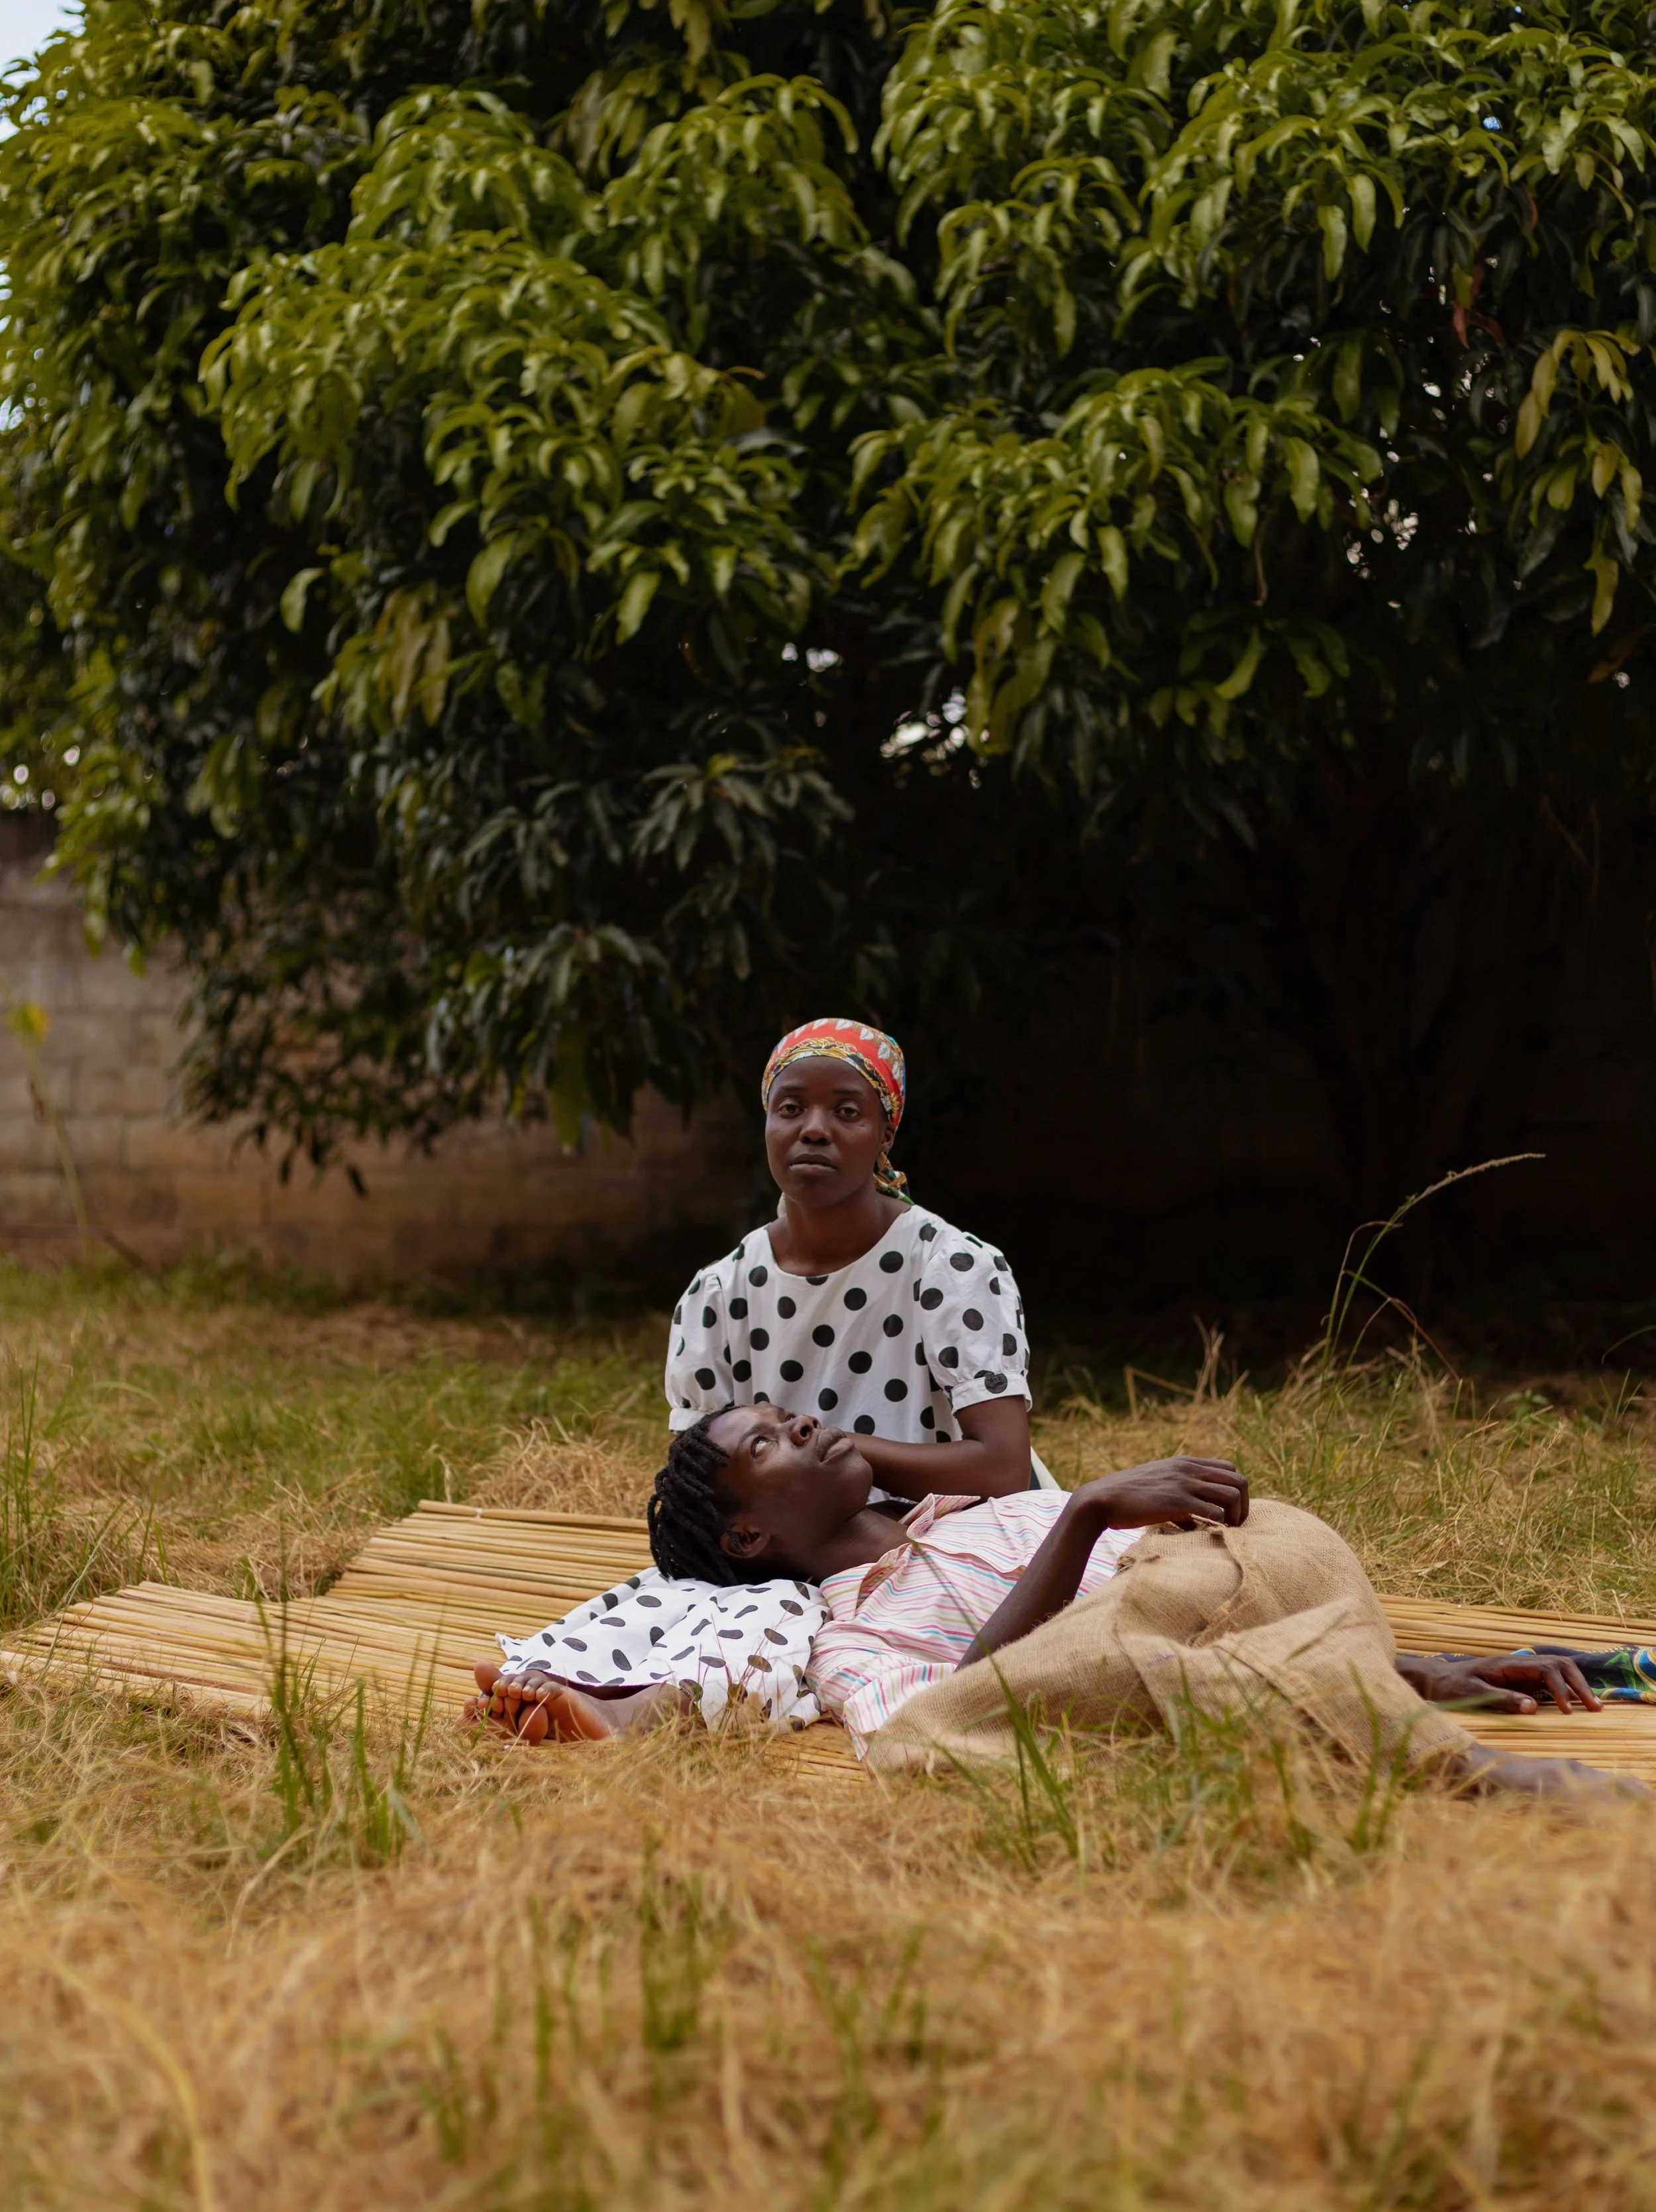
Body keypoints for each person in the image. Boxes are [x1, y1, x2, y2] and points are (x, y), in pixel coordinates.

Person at [476, 1403, 1641, 1802]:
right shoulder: (848, 1628)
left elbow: (1211, 1565)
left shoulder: (987, 1509)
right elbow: (935, 1716)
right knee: (1117, 1653)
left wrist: (1417, 1655)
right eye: (769, 1441)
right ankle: (1460, 1763)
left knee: (1254, 1534)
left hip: (1218, 1594)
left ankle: (1376, 1673)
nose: (805, 1422)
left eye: (787, 1411)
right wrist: (1086, 1514)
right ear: (747, 1532)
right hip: (1143, 1649)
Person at [467, 1012, 1055, 1738]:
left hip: (939, 1546)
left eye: (847, 1111)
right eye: (790, 1108)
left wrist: (843, 1449)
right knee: (679, 1590)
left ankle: (628, 1716)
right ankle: (554, 1682)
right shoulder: (717, 1294)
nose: (814, 1128)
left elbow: (1000, 1467)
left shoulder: (953, 1266)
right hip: (790, 1547)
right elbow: (705, 1491)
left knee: (782, 1621)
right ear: (767, 1127)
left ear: (883, 1137)